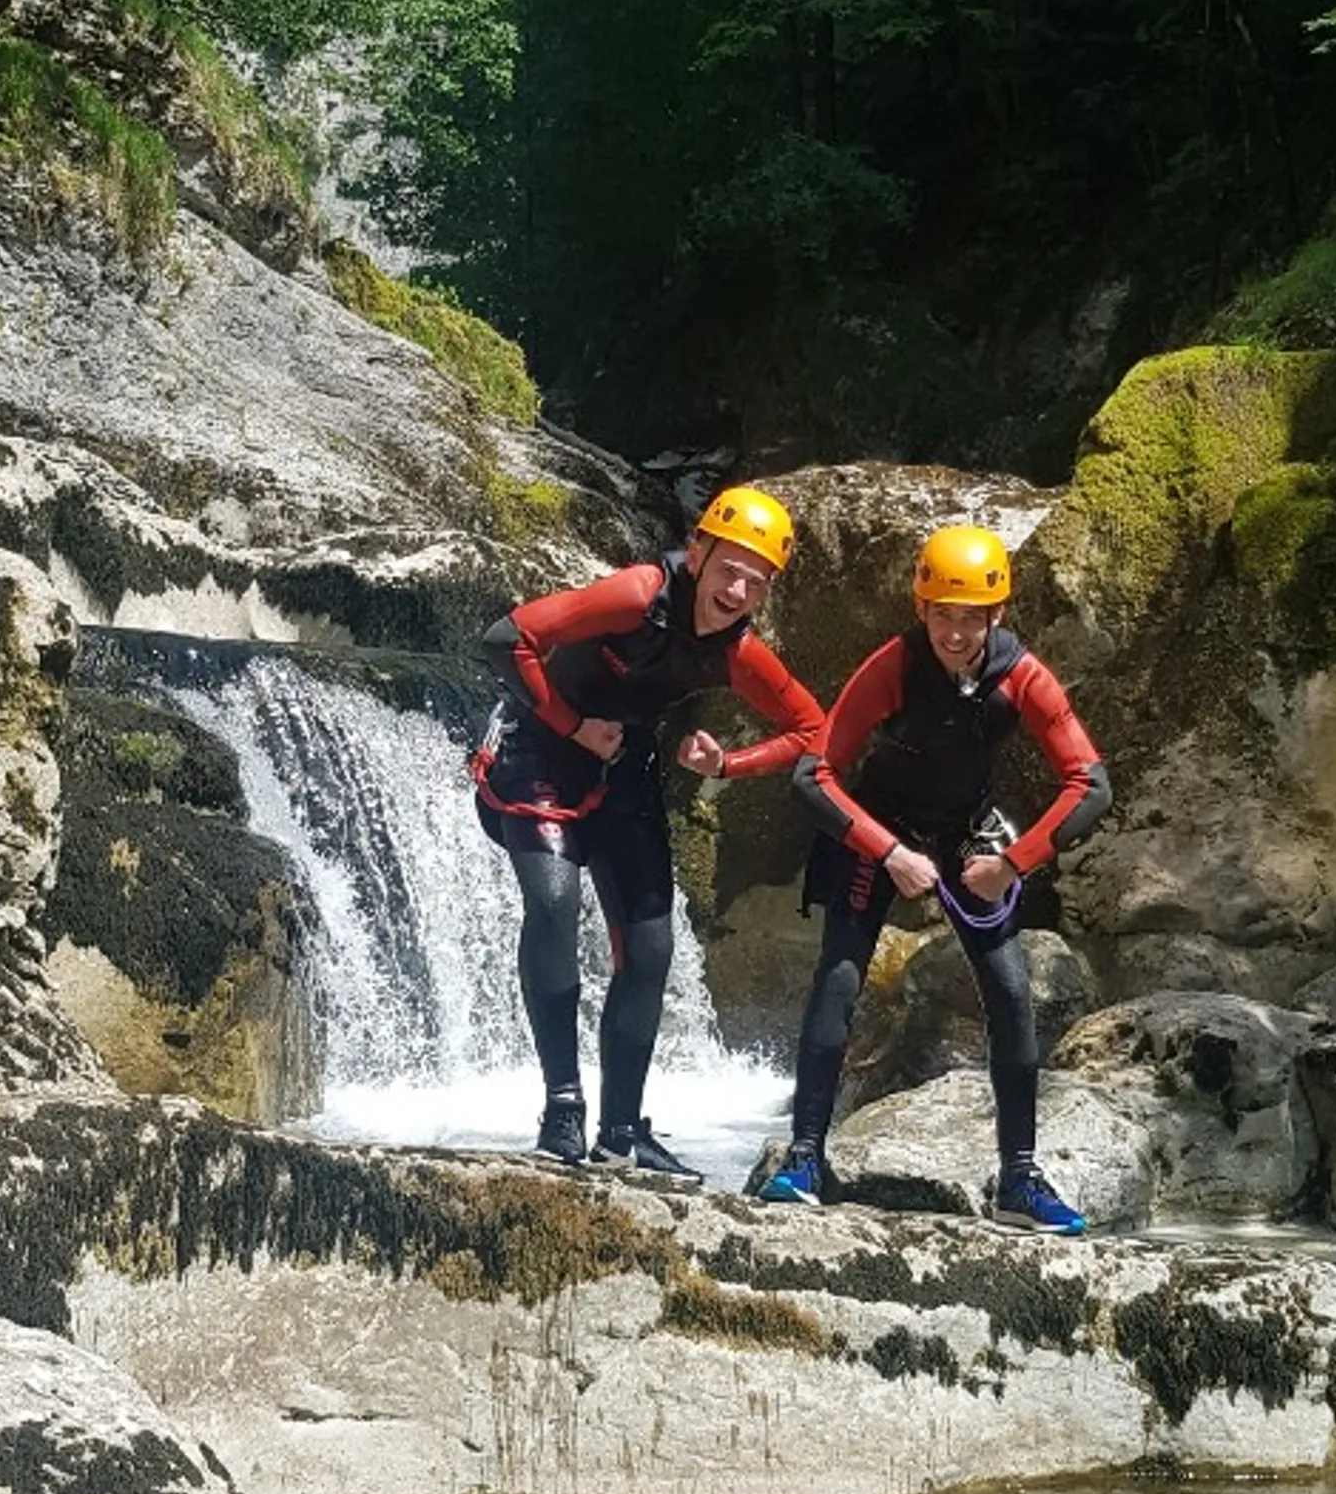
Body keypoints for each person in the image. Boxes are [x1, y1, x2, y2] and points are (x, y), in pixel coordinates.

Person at [759, 522, 1111, 1232]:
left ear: (997, 614)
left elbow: (1090, 782)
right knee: (840, 978)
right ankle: (803, 1158)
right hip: (879, 828)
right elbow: (814, 773)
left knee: (1011, 990)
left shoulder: (1023, 676)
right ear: (922, 610)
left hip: (963, 835)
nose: (955, 631)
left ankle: (1019, 1177)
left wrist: (1012, 863)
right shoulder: (892, 665)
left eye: (971, 617)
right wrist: (887, 850)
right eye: (943, 614)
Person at [474, 486, 827, 1183]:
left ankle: (622, 1132)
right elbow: (508, 638)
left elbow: (814, 729)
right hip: (540, 748)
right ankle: (563, 1109)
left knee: (652, 946)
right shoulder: (638, 593)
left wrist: (730, 761)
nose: (737, 589)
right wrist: (571, 724)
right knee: (553, 905)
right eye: (729, 568)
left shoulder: (738, 651)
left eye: (756, 583)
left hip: (624, 768)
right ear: (697, 551)